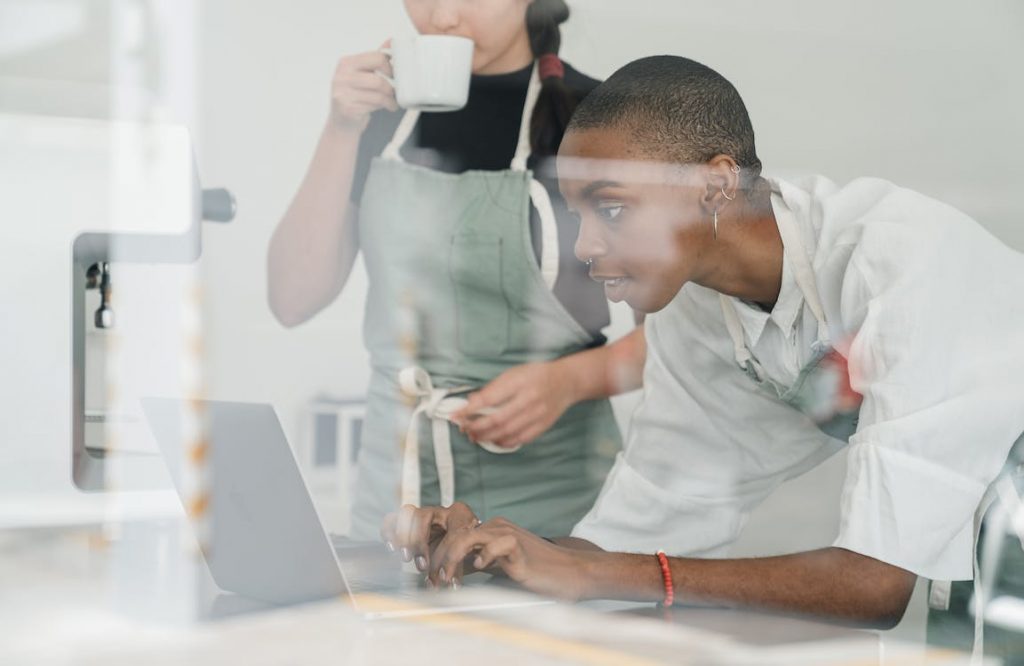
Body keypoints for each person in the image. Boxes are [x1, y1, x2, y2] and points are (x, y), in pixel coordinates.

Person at [380, 55, 1024, 644]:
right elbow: (639, 529)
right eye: (577, 214)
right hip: (989, 563)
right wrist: (498, 553)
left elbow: (874, 586)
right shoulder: (699, 314)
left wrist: (602, 576)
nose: (583, 247)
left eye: (611, 208)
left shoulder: (897, 264)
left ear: (716, 184)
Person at [268, 0, 644, 540]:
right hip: (394, 504)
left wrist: (568, 381)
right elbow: (291, 298)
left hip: (558, 515)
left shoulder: (600, 119)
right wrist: (341, 127)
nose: (441, 18)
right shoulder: (379, 114)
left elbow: (681, 342)